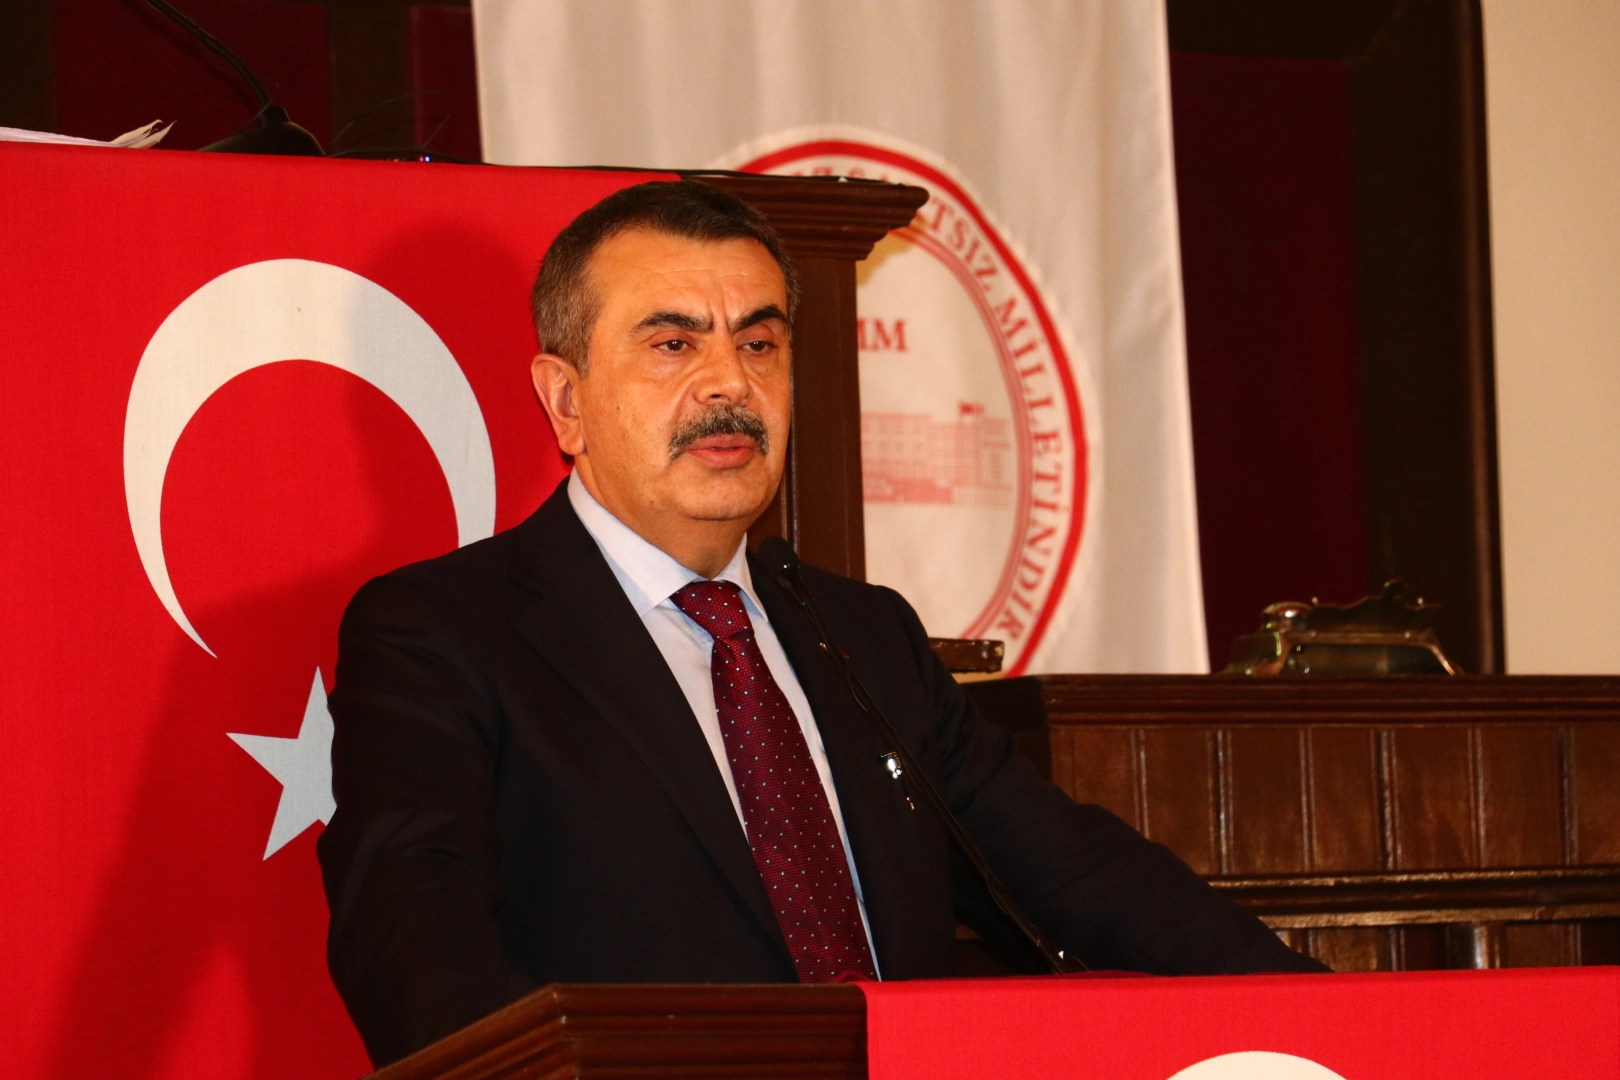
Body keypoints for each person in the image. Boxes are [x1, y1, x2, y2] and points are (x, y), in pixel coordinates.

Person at [316, 179, 1326, 1068]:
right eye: (673, 345)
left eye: (759, 343)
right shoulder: (443, 634)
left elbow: (1077, 874)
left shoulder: (864, 636)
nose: (729, 384)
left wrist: (1330, 1021)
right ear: (565, 399)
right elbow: (413, 946)